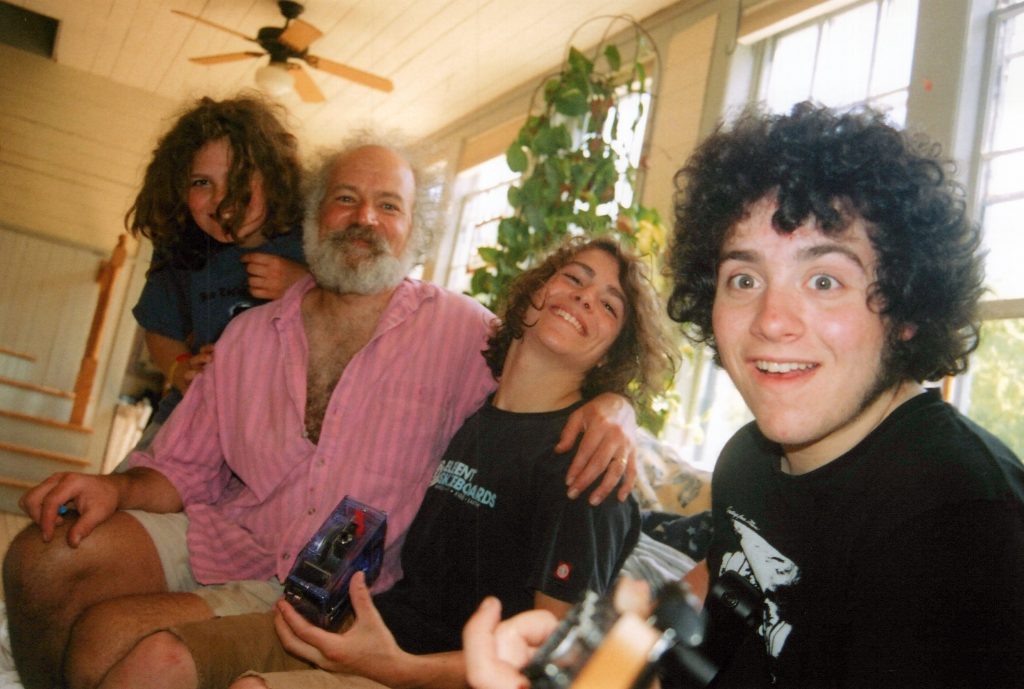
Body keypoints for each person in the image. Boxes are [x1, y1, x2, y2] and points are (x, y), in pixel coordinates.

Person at [2, 133, 640, 689]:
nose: (365, 217)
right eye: (345, 198)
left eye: (388, 205)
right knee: (41, 555)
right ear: (313, 219)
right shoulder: (249, 335)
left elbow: (550, 367)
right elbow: (181, 469)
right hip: (234, 537)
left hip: (345, 589)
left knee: (107, 641)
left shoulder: (466, 332)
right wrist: (113, 487)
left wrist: (618, 408)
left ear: (414, 233)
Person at [461, 102, 1024, 689]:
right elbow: (721, 595)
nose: (770, 320)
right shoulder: (748, 461)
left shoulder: (965, 524)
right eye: (745, 279)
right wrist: (605, 663)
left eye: (824, 280)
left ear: (906, 310)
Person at [97, 236, 676, 689]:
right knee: (159, 659)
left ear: (612, 356)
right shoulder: (474, 410)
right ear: (533, 292)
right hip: (367, 626)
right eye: (574, 277)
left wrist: (399, 669)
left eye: (609, 306)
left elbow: (559, 662)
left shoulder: (591, 467)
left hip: (430, 674)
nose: (584, 298)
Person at [127, 93, 309, 440]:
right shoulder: (181, 247)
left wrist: (304, 285)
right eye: (201, 182)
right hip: (194, 414)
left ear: (274, 176)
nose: (222, 198)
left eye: (241, 175)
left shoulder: (311, 241)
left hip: (278, 427)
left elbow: (353, 309)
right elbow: (160, 330)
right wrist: (180, 369)